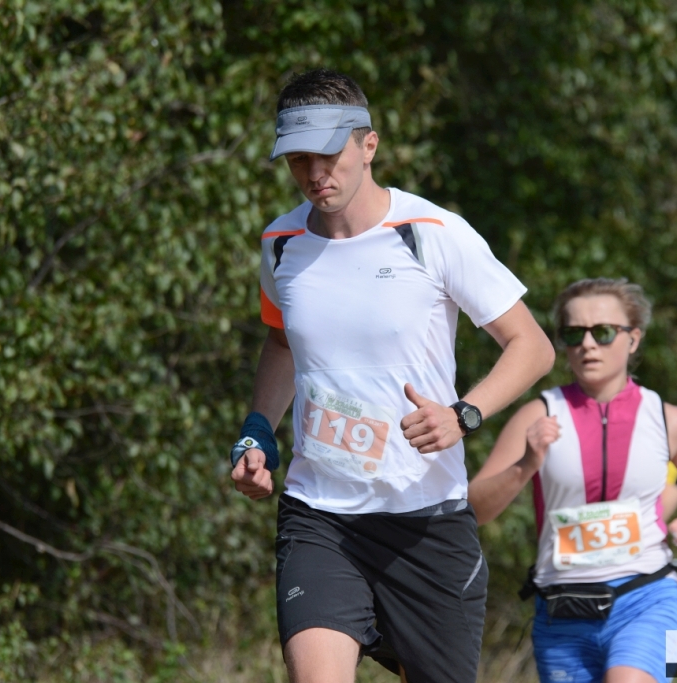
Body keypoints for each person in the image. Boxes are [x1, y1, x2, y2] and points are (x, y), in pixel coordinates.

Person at [229, 68, 555, 683]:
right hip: (319, 513)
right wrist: (258, 429)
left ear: (368, 145)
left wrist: (462, 415)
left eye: (328, 155)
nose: (314, 174)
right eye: (298, 160)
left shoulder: (432, 233)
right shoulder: (280, 242)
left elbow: (532, 347)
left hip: (424, 520)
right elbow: (282, 343)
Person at [470, 277, 677, 683]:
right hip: (563, 607)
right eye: (574, 334)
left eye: (602, 332)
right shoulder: (537, 416)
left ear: (633, 339)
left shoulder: (667, 418)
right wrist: (526, 465)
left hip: (644, 594)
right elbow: (474, 510)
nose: (587, 344)